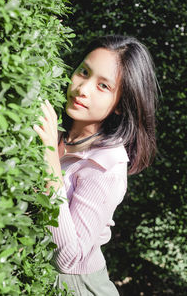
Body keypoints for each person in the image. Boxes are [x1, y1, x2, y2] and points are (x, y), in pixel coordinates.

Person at [33, 35, 158, 295]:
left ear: (121, 105)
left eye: (103, 86)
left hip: (73, 286)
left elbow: (68, 258)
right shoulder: (56, 129)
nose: (82, 89)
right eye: (84, 72)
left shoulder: (107, 166)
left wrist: (50, 163)